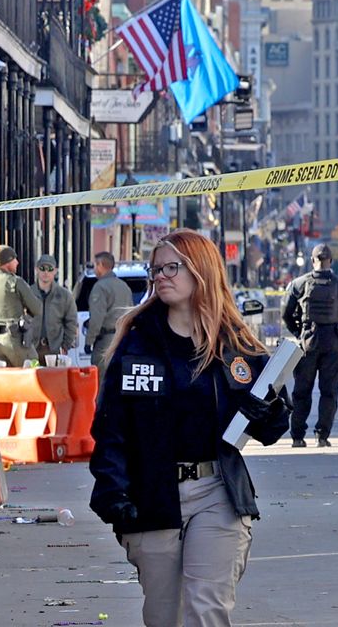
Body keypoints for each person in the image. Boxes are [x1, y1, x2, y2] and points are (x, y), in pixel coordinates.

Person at [89, 230, 290, 627]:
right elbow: (111, 429)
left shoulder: (236, 346)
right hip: (153, 495)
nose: (161, 276)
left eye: (172, 267)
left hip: (217, 491)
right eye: (156, 269)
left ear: (201, 272)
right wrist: (113, 491)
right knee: (165, 616)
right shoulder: (137, 344)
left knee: (206, 610)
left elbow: (273, 427)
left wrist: (267, 410)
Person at [282, 242, 338, 448]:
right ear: (331, 261)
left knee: (302, 392)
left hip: (308, 342)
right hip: (333, 344)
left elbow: (286, 313)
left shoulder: (299, 284)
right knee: (329, 392)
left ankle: (298, 437)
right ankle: (322, 436)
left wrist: (298, 332)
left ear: (312, 261)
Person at [0, 244, 42, 366]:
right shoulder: (14, 282)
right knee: (32, 373)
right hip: (15, 341)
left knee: (0, 382)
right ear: (7, 262)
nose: (17, 262)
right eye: (14, 259)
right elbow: (37, 309)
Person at [86, 250, 135, 365]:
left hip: (105, 341)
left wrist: (89, 341)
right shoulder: (124, 286)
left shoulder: (100, 287)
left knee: (102, 378)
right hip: (122, 339)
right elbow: (131, 313)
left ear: (101, 265)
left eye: (95, 265)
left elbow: (97, 318)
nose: (94, 269)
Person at [32, 254, 82, 363]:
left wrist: (65, 345)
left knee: (54, 379)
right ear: (36, 270)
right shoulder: (29, 293)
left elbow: (72, 322)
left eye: (50, 269)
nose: (46, 272)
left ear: (55, 271)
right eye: (42, 268)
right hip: (32, 349)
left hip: (55, 349)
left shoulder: (64, 295)